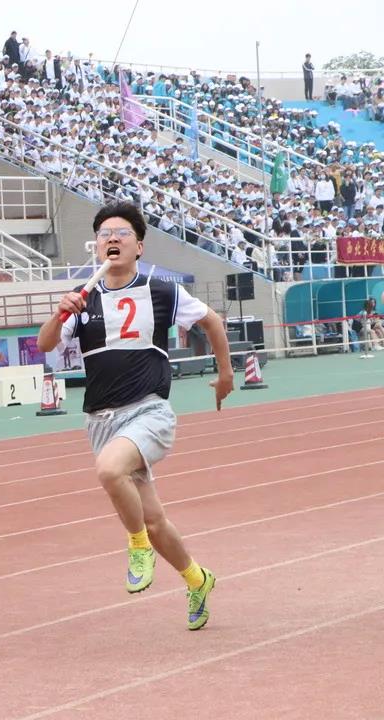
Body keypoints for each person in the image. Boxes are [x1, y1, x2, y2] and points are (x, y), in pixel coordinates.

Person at [37, 202, 233, 630]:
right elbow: (45, 344)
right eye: (104, 233)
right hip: (101, 420)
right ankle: (197, 579)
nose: (112, 238)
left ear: (139, 246)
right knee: (155, 519)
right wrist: (59, 312)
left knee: (110, 471)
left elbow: (212, 322)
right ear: (97, 246)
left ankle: (137, 545)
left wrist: (225, 374)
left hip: (149, 411)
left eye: (122, 232)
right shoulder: (83, 299)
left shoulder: (162, 291)